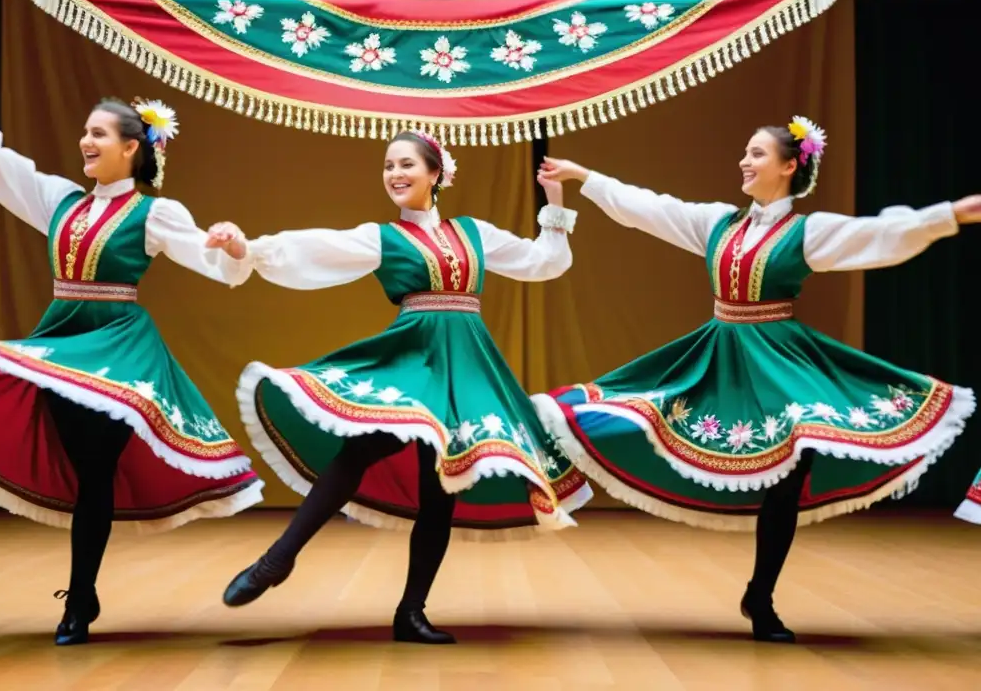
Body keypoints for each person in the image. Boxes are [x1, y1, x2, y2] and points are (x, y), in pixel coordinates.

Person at [530, 116, 978, 643]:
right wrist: (587, 177)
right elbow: (653, 209)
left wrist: (951, 214)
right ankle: (559, 471)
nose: (745, 161)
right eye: (746, 152)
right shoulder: (719, 223)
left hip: (779, 361)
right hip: (719, 356)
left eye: (758, 154)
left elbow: (877, 234)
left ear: (790, 166)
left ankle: (760, 596)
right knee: (628, 415)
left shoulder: (807, 232)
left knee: (791, 468)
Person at [205, 130, 592, 644]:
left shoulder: (474, 233)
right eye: (388, 166)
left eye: (406, 164)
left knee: (441, 487)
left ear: (436, 173)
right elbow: (315, 248)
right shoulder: (382, 237)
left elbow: (547, 261)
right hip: (413, 360)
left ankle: (411, 612)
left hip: (466, 363)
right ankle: (277, 560)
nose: (395, 174)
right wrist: (246, 249)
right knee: (359, 450)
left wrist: (555, 200)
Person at [0, 99, 264, 646]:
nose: (85, 141)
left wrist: (230, 246)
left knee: (96, 475)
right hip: (63, 345)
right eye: (84, 131)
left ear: (131, 148)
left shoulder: (154, 214)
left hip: (120, 352)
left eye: (98, 133)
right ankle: (84, 593)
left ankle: (78, 599)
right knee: (84, 475)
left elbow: (209, 257)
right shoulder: (58, 200)